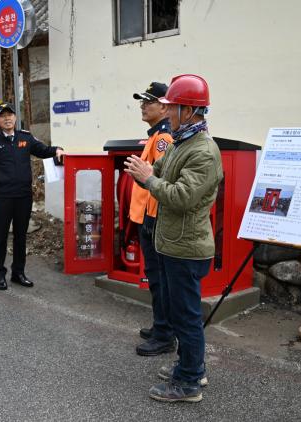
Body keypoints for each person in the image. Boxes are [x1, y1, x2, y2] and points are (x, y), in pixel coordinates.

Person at [124, 74, 223, 403]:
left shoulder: (203, 151)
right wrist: (145, 173)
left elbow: (181, 197)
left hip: (186, 247)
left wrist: (148, 178)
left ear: (189, 111)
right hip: (173, 243)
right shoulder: (182, 142)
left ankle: (189, 382)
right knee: (180, 311)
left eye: (173, 107)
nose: (167, 112)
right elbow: (159, 170)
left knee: (186, 315)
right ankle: (190, 366)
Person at [0, 102, 65, 290]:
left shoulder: (25, 138)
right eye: (3, 116)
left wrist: (57, 149)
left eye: (10, 115)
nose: (7, 118)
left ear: (15, 117)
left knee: (21, 236)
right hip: (3, 197)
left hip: (23, 196)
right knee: (1, 237)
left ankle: (18, 273)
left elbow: (43, 150)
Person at [129, 82, 176, 357]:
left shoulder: (162, 139)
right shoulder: (155, 135)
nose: (143, 106)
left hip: (153, 218)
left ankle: (164, 334)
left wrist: (152, 216)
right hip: (146, 216)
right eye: (142, 102)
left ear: (165, 107)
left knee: (159, 279)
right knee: (156, 277)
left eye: (149, 102)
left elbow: (161, 181)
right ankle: (161, 326)